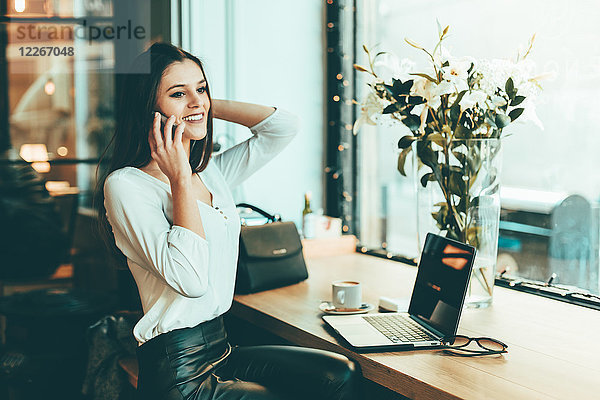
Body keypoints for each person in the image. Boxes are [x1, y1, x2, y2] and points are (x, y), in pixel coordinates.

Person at [97, 42, 362, 400]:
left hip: (221, 349)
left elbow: (283, 127)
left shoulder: (213, 172)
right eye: (177, 93)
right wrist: (179, 180)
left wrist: (199, 108)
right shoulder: (127, 185)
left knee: (338, 375)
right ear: (149, 108)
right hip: (177, 370)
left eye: (201, 87)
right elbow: (190, 280)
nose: (196, 99)